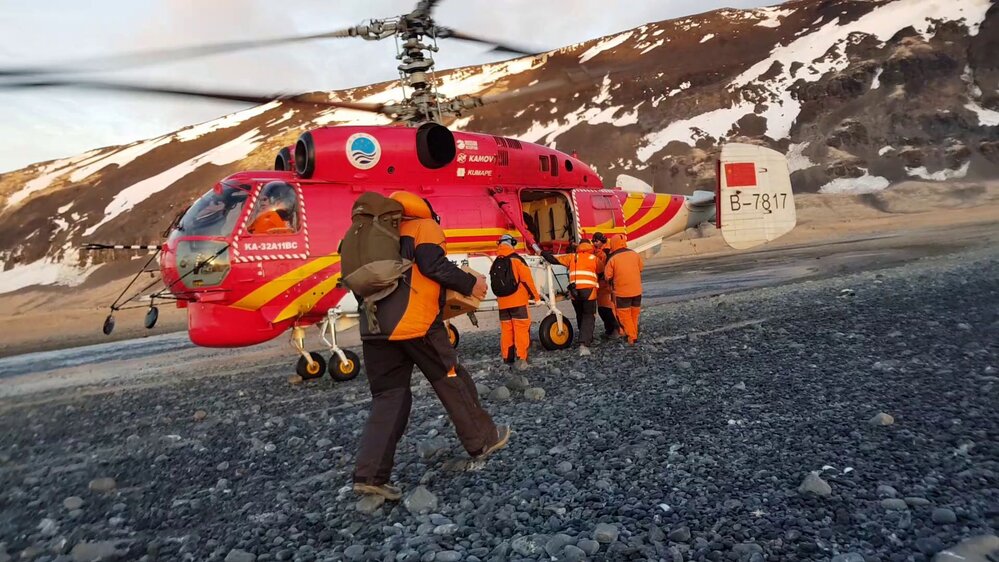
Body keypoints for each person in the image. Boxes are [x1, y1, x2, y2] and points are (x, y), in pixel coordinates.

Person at [353, 191, 509, 500]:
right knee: (451, 379)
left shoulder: (370, 232)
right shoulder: (423, 226)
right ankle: (482, 440)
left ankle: (370, 475)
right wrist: (469, 283)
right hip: (417, 323)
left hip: (374, 328)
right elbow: (432, 265)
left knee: (389, 398)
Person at [542, 240, 599, 356]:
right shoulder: (594, 258)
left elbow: (554, 259)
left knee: (580, 313)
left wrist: (543, 253)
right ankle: (584, 343)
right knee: (588, 315)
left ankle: (585, 336)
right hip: (589, 291)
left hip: (574, 291)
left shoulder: (572, 257)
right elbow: (602, 271)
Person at [492, 234, 541, 370]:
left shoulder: (497, 261)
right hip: (518, 301)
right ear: (511, 243)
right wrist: (536, 298)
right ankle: (521, 358)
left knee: (506, 330)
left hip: (503, 303)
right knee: (521, 329)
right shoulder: (517, 260)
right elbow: (527, 280)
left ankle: (507, 358)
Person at [604, 234, 645, 346]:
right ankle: (633, 333)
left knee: (624, 316)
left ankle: (632, 337)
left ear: (613, 244)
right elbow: (641, 268)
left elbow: (607, 276)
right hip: (637, 291)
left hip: (622, 293)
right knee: (634, 314)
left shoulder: (613, 258)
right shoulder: (634, 254)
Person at [591, 232, 620, 340]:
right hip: (602, 286)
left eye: (596, 241)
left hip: (606, 285)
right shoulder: (602, 252)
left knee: (607, 309)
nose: (594, 243)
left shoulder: (605, 253)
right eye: (593, 241)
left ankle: (615, 330)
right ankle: (610, 330)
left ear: (601, 241)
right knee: (603, 309)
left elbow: (604, 270)